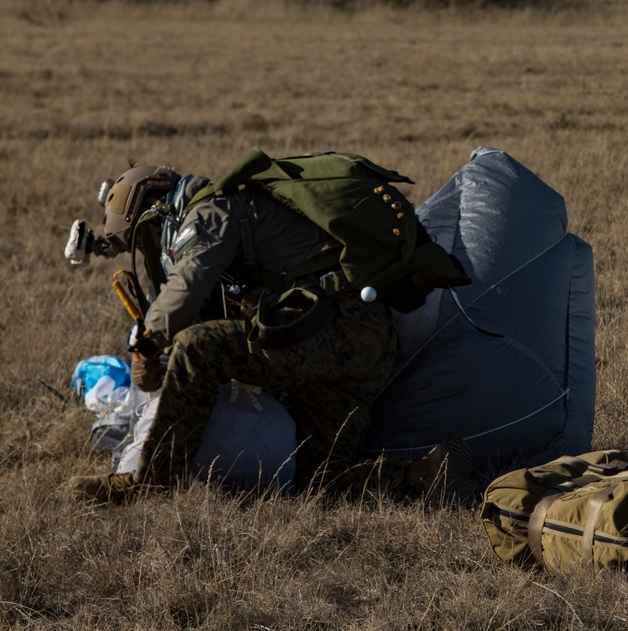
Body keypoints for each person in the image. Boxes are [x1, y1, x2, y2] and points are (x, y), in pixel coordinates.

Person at [71, 162, 471, 502]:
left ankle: (152, 482)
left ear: (157, 212)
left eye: (146, 239)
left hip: (329, 327)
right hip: (362, 338)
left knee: (197, 350)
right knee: (315, 479)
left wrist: (147, 344)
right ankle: (424, 473)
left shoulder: (208, 211)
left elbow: (187, 287)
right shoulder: (239, 211)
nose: (150, 250)